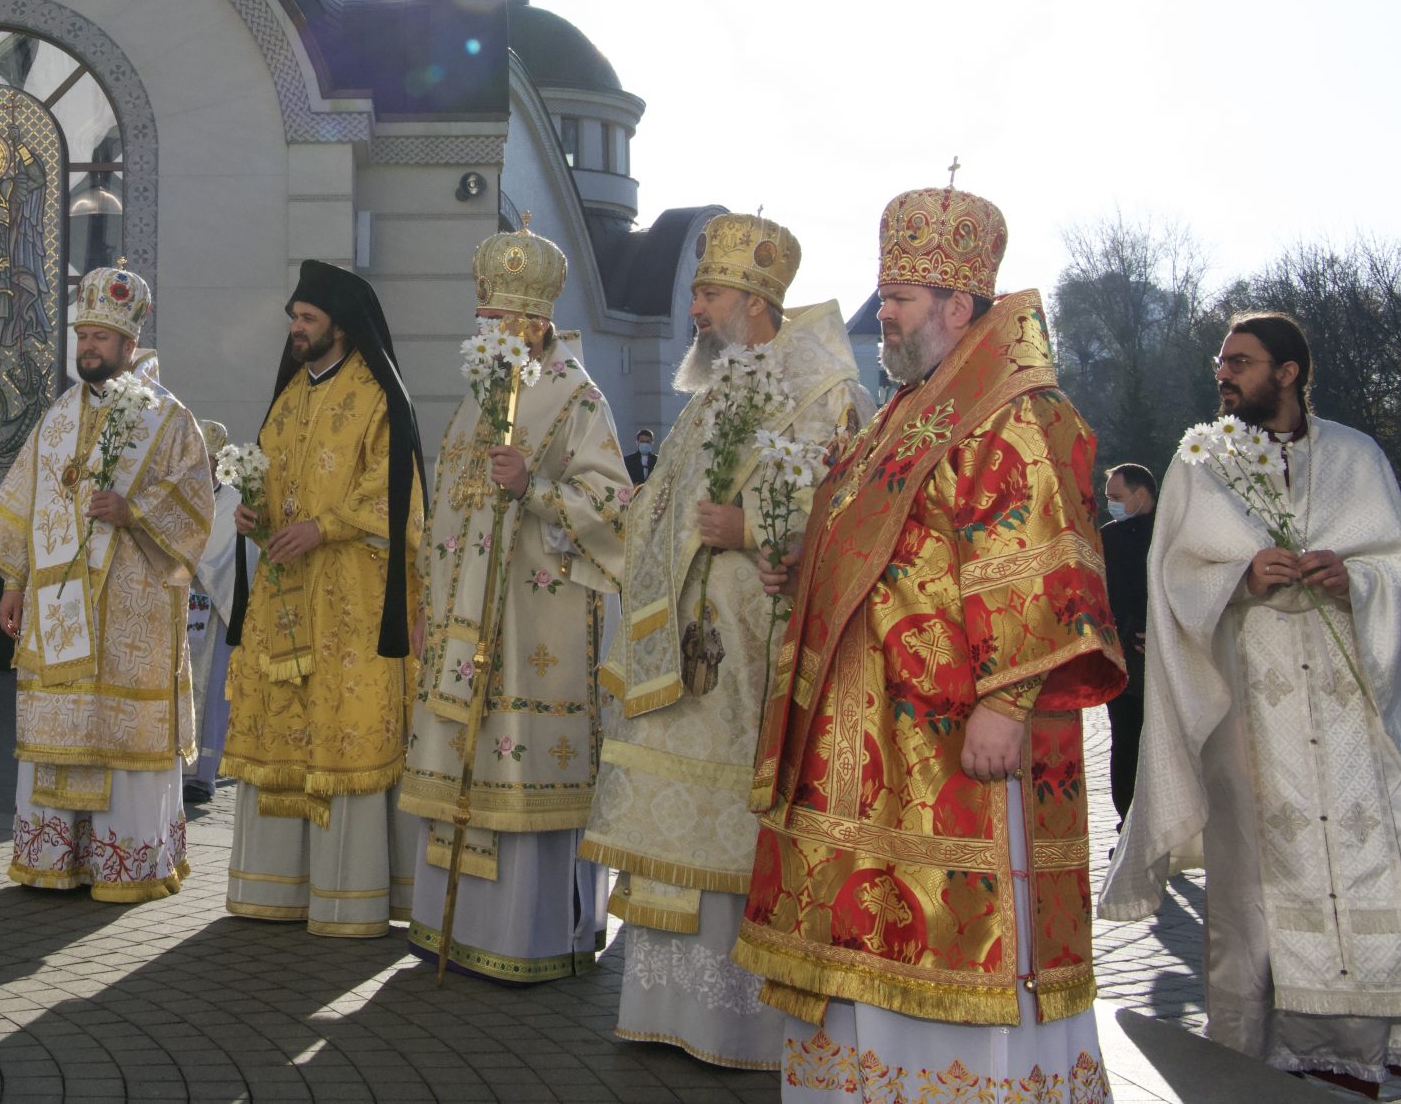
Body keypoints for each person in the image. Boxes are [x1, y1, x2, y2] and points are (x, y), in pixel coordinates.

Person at [734, 184, 1124, 1098]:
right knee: (862, 940)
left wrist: (1008, 700)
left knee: (965, 938)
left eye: (901, 299)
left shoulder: (1015, 410)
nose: (885, 314)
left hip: (957, 742)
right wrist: (806, 569)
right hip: (876, 747)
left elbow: (1042, 561)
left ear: (957, 306)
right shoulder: (906, 408)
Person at [1105, 313, 1401, 1093]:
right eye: (1220, 361)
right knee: (1260, 889)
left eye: (1240, 360)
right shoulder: (1200, 463)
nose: (1223, 373)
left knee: (1392, 867)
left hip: (1353, 720)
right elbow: (1173, 578)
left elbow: (1399, 567)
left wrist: (1354, 577)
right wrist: (1238, 577)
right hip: (1253, 729)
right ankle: (1272, 1064)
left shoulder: (1357, 457)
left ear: (1290, 371)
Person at [570, 213, 870, 1066]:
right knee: (672, 814)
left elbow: (852, 513)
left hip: (754, 646)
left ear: (753, 299)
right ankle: (666, 1007)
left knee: (739, 817)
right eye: (697, 292)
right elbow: (663, 506)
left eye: (706, 293)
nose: (694, 308)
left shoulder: (824, 390)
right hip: (679, 644)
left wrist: (754, 530)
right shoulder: (712, 393)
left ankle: (740, 1022)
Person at [398, 220, 627, 981]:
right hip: (461, 623)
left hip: (535, 624)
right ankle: (447, 926)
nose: (485, 329)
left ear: (532, 320)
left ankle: (528, 936)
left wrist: (536, 489)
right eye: (481, 317)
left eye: (496, 318)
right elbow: (448, 511)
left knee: (519, 764)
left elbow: (614, 505)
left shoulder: (576, 396)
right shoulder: (478, 397)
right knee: (457, 755)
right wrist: (429, 605)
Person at [0, 264, 211, 900]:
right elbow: (23, 502)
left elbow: (196, 504)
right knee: (62, 727)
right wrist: (12, 582)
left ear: (130, 344)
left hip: (132, 616)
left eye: (101, 338)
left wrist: (135, 512)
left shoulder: (168, 419)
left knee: (118, 732)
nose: (88, 348)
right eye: (82, 336)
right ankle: (55, 859)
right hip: (58, 612)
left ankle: (125, 864)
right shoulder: (57, 417)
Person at [221, 259, 425, 937]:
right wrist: (252, 514)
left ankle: (350, 895)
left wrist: (324, 526)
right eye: (293, 318)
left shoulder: (378, 396)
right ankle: (275, 886)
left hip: (351, 598)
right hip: (285, 594)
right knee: (279, 724)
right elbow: (269, 480)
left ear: (340, 324)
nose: (296, 328)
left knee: (346, 723)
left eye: (308, 318)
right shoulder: (287, 400)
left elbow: (395, 494)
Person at [1097, 461, 1156, 825]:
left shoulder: (1169, 532)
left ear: (1141, 494)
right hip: (1122, 655)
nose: (1111, 505)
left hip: (1164, 653)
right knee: (1125, 741)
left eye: (1117, 497)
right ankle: (1128, 823)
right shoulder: (1108, 537)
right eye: (1109, 498)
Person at [186, 417, 240, 804]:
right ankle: (173, 768)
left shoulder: (234, 501)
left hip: (215, 608)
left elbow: (234, 555)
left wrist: (197, 567)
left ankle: (203, 775)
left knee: (213, 690)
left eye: (209, 459)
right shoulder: (177, 497)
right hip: (177, 603)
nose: (203, 465)